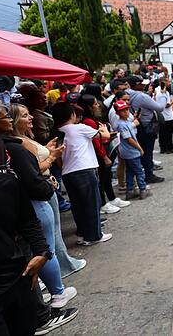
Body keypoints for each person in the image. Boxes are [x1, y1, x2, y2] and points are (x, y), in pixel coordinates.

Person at [0, 129, 68, 336]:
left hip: (16, 277)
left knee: (25, 328)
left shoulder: (7, 184)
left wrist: (41, 253)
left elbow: (28, 222)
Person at [10, 105, 86, 279]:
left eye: (29, 114)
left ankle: (63, 264)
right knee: (50, 235)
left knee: (53, 232)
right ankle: (62, 270)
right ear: (14, 120)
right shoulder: (20, 142)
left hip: (44, 186)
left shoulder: (23, 139)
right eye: (24, 115)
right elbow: (34, 168)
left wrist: (47, 149)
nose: (30, 118)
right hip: (41, 187)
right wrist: (52, 157)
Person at [52, 102, 113, 246]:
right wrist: (103, 128)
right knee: (92, 203)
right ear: (71, 114)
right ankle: (93, 236)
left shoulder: (57, 132)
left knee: (78, 205)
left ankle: (82, 234)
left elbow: (59, 161)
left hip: (68, 172)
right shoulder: (79, 128)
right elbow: (105, 137)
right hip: (84, 170)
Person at [77, 94, 126, 214]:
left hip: (102, 152)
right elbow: (96, 141)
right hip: (99, 155)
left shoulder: (93, 119)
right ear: (88, 107)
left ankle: (111, 198)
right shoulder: (89, 122)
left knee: (106, 177)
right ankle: (103, 203)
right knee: (102, 179)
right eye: (94, 104)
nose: (97, 105)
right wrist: (104, 156)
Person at [126, 75, 165, 184]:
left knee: (141, 150)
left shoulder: (127, 94)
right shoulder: (141, 97)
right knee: (147, 151)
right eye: (141, 83)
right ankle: (149, 174)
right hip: (146, 125)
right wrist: (163, 97)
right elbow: (159, 107)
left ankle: (143, 173)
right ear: (136, 85)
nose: (144, 85)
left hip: (136, 125)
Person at [114, 99, 150, 201]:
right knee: (139, 171)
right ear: (118, 113)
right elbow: (129, 139)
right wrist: (139, 148)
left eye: (126, 110)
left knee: (130, 171)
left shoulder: (125, 122)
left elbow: (131, 126)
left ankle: (130, 190)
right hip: (131, 151)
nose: (126, 112)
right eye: (122, 111)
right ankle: (142, 190)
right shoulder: (121, 124)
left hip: (127, 152)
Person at [155, 78, 173, 154]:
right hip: (167, 116)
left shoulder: (158, 91)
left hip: (163, 116)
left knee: (163, 133)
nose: (169, 83)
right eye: (167, 81)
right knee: (167, 133)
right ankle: (167, 148)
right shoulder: (162, 93)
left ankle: (165, 147)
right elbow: (165, 105)